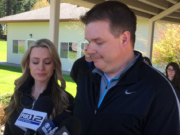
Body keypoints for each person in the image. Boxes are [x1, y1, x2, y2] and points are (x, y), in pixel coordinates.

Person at [73, 1, 180, 135]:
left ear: (124, 40)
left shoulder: (160, 92)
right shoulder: (87, 80)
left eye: (98, 42)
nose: (89, 50)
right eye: (89, 42)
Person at [4, 39, 74, 134]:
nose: (41, 67)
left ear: (54, 65)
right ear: (28, 64)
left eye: (47, 62)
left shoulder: (66, 100)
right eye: (35, 62)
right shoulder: (18, 95)